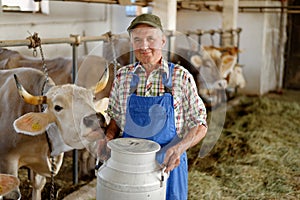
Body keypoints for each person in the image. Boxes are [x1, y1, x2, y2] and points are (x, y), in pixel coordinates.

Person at [100, 13, 207, 200]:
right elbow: (115, 118)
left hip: (169, 166)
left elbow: (199, 124)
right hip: (129, 167)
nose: (144, 46)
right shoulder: (122, 77)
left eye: (151, 38)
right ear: (132, 43)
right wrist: (107, 138)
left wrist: (181, 147)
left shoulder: (180, 77)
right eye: (137, 40)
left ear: (163, 41)